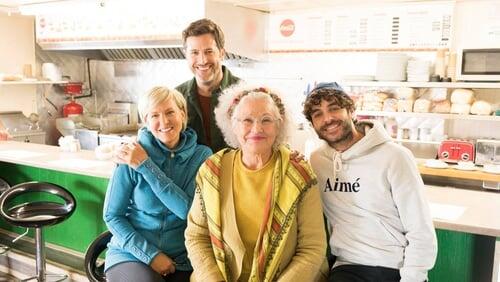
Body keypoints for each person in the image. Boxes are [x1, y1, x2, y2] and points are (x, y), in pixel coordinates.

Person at [185, 84, 328, 282]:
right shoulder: (213, 170)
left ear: (279, 125)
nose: (256, 128)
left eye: (266, 120)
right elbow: (196, 236)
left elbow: (312, 248)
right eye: (247, 120)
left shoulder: (299, 174)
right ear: (232, 125)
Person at [302, 84, 437, 282]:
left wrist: (413, 277)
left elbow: (420, 228)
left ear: (351, 111)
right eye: (317, 114)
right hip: (348, 266)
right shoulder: (317, 161)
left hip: (396, 266)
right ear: (312, 124)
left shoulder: (395, 157)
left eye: (333, 108)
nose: (328, 119)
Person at [103, 87, 212, 282]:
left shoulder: (201, 157)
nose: (164, 121)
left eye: (170, 112)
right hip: (131, 255)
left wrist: (146, 167)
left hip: (183, 258)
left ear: (183, 114)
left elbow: (188, 212)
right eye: (154, 115)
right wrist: (151, 256)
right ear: (146, 121)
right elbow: (112, 216)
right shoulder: (130, 154)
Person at [176, 18, 241, 152]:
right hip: (193, 173)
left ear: (221, 53)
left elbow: (266, 135)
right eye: (194, 52)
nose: (202, 60)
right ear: (186, 55)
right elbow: (158, 135)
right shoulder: (176, 97)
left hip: (234, 172)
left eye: (208, 51)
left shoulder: (245, 93)